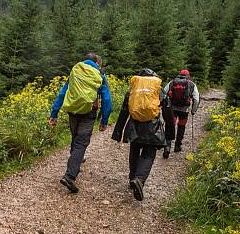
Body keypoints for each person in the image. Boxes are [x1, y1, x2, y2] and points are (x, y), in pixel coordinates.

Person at [48, 54, 112, 194]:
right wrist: (104, 120)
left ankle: (75, 162)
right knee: (81, 142)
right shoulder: (99, 74)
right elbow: (107, 99)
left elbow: (62, 93)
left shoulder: (75, 70)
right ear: (97, 63)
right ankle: (70, 175)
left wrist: (54, 114)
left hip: (72, 111)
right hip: (88, 113)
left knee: (76, 137)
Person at [111, 68, 166, 201]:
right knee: (149, 153)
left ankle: (132, 178)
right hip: (152, 127)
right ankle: (139, 179)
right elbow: (168, 109)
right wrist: (170, 134)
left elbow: (124, 110)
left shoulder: (133, 88)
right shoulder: (158, 87)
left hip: (134, 126)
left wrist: (118, 132)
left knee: (134, 150)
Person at [161, 69, 200, 158]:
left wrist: (163, 107)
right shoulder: (191, 84)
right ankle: (177, 146)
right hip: (184, 109)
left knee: (170, 126)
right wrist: (193, 111)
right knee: (181, 126)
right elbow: (196, 99)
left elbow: (163, 93)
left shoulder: (172, 82)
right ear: (188, 76)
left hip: (172, 109)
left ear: (179, 75)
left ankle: (167, 147)